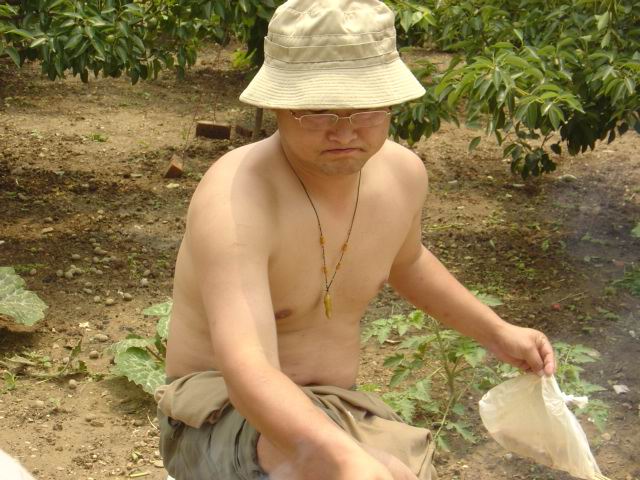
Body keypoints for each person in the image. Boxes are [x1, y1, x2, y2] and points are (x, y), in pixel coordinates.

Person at [155, 1, 556, 479]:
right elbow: (249, 369)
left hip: (332, 403)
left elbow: (407, 262)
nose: (344, 130)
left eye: (366, 107)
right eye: (318, 110)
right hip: (220, 409)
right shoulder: (237, 198)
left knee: (394, 471)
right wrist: (346, 461)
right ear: (279, 105)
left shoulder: (402, 175)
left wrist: (496, 332)